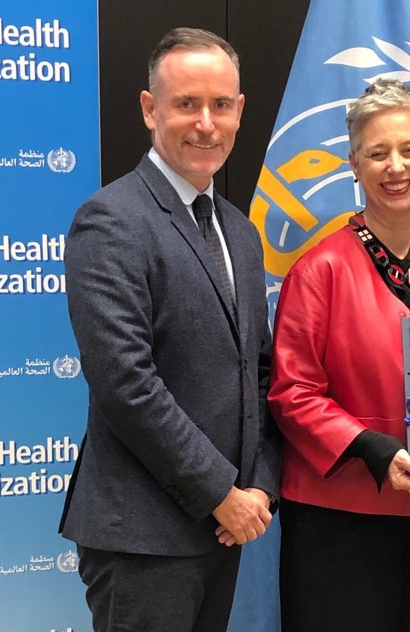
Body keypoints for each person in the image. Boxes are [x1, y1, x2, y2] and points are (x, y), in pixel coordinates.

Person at [59, 28, 279, 632]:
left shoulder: (240, 231)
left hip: (223, 531)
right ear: (150, 109)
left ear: (239, 111)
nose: (206, 123)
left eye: (221, 104)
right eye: (187, 104)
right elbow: (126, 385)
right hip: (143, 541)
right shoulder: (110, 220)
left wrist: (260, 487)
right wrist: (221, 494)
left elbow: (258, 370)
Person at [267, 78, 410, 632]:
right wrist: (376, 451)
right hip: (338, 517)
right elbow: (292, 394)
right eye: (377, 153)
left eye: (409, 149)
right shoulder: (320, 269)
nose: (395, 166)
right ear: (354, 164)